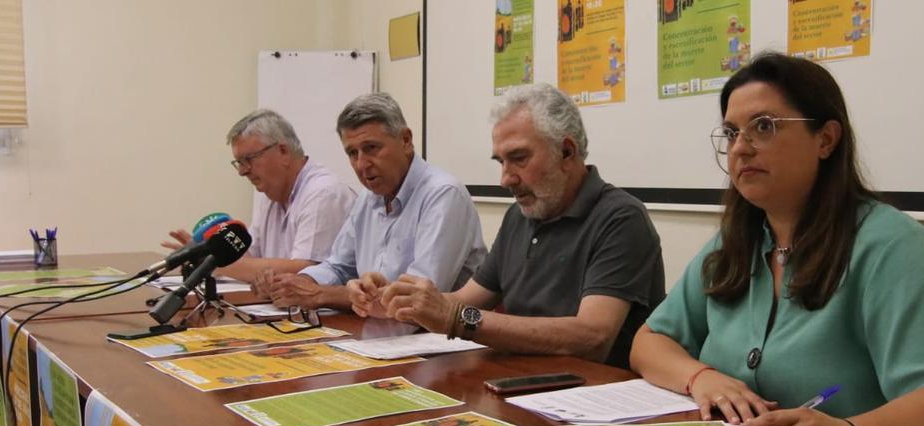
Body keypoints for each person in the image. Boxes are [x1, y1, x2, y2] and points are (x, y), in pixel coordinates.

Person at [630, 53, 924, 426]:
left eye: (763, 127)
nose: (741, 147)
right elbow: (649, 342)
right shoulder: (736, 244)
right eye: (731, 133)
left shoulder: (892, 246)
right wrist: (700, 378)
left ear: (826, 139)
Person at [363, 83, 663, 368]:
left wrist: (457, 318)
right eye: (501, 162)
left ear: (567, 152)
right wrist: (397, 300)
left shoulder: (620, 218)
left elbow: (592, 336)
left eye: (519, 159)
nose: (506, 179)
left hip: (594, 394)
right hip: (520, 380)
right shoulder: (520, 215)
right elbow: (462, 301)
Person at [254, 93, 486, 312]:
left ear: (405, 140)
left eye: (371, 148)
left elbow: (415, 299)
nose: (362, 164)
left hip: (441, 342)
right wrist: (297, 283)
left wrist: (320, 294)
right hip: (380, 334)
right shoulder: (368, 196)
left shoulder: (443, 194)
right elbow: (338, 266)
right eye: (352, 153)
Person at [162, 109, 354, 281]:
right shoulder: (269, 193)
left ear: (283, 151)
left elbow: (306, 272)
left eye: (248, 160)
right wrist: (205, 251)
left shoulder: (323, 193)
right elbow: (249, 258)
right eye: (238, 162)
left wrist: (213, 263)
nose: (242, 172)